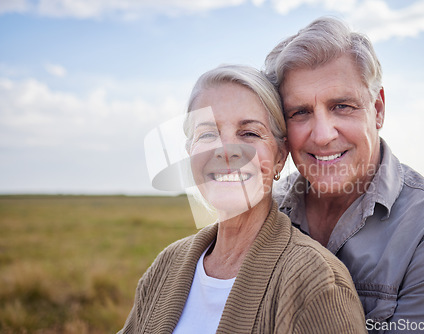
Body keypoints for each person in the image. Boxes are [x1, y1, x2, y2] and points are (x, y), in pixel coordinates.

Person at [265, 17, 424, 333]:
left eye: (342, 106)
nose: (323, 134)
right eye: (300, 112)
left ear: (378, 109)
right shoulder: (262, 213)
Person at [118, 64, 367, 333]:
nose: (225, 151)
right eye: (208, 134)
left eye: (249, 133)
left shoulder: (317, 282)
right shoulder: (166, 266)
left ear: (280, 157)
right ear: (190, 153)